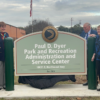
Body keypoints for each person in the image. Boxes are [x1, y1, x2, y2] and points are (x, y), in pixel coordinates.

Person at [0, 22, 9, 90]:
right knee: (0, 70)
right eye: (2, 27)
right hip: (0, 55)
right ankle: (0, 85)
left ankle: (5, 84)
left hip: (6, 55)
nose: (3, 28)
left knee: (6, 70)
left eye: (4, 27)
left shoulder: (7, 34)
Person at [91, 25, 100, 91]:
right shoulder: (97, 37)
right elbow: (96, 47)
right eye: (98, 29)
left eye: (99, 29)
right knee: (99, 73)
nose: (98, 31)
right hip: (97, 58)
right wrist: (94, 55)